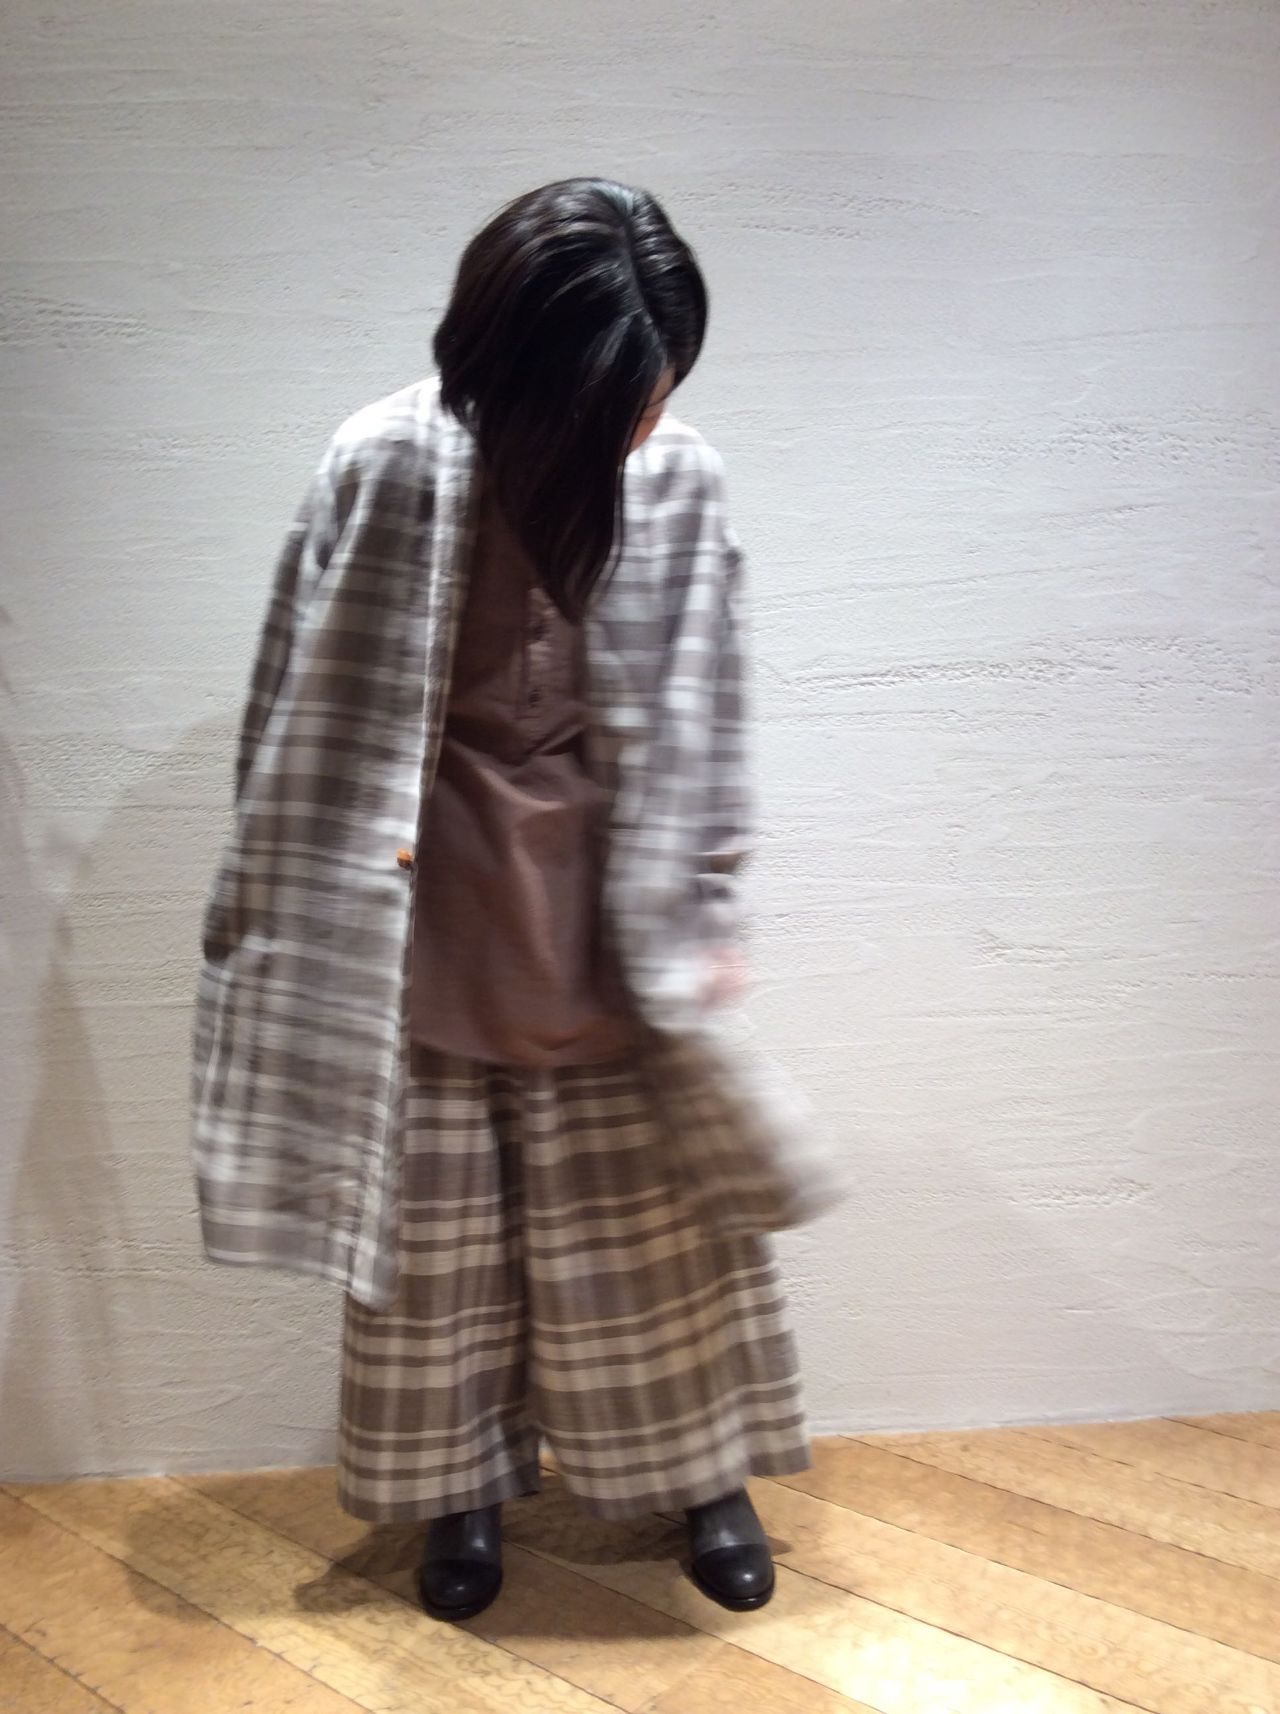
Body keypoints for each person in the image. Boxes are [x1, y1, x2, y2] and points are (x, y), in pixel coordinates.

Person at [192, 178, 820, 1624]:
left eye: (660, 392)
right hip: (431, 894)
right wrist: (285, 904)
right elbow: (294, 700)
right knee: (440, 1246)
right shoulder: (383, 459)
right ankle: (461, 1489)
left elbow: (712, 700)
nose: (647, 424)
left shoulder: (681, 476)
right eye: (624, 399)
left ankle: (701, 1476)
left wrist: (708, 896)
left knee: (654, 1230)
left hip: (608, 897)